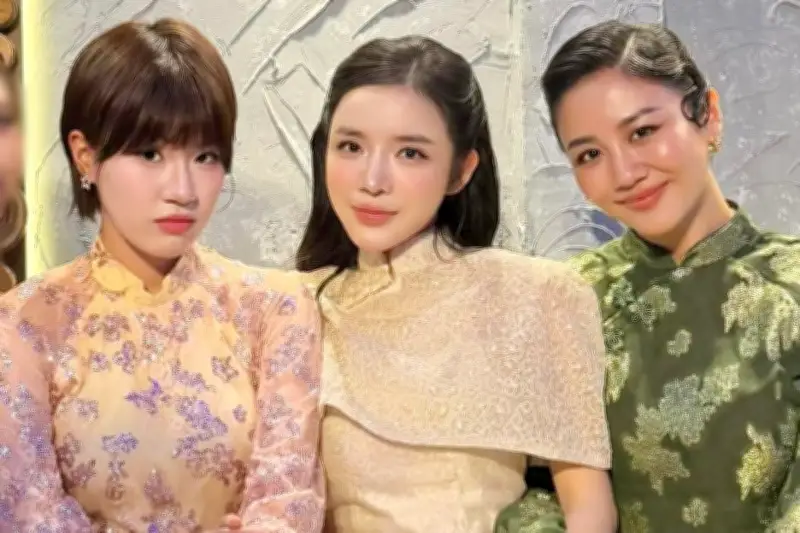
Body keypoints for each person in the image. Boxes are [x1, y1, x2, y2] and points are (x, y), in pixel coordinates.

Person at [225, 35, 616, 533]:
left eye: (410, 153)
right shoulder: (289, 307)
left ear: (461, 171)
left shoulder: (540, 294)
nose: (372, 180)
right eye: (350, 146)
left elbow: (589, 512)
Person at [0, 19, 324, 533]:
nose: (183, 189)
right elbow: (26, 514)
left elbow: (288, 500)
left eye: (205, 156)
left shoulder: (275, 308)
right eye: (150, 153)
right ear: (86, 155)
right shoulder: (23, 323)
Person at [496, 20, 800, 533]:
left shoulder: (789, 285)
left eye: (642, 132)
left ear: (708, 117)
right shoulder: (571, 295)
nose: (624, 174)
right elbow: (535, 484)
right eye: (590, 155)